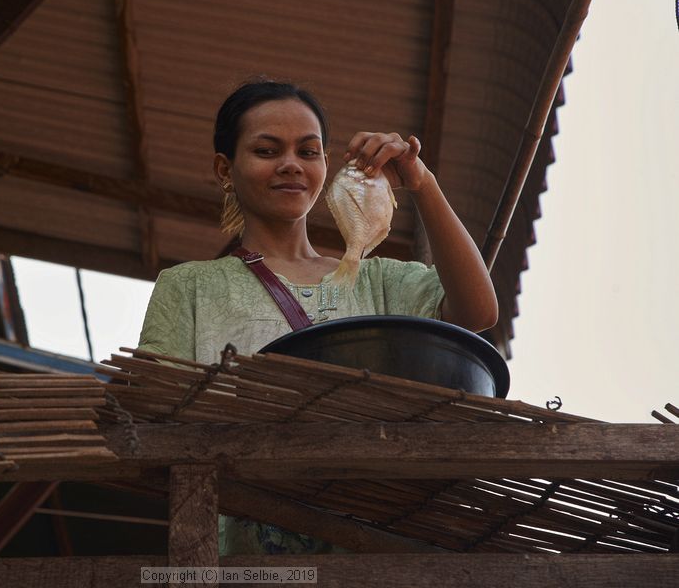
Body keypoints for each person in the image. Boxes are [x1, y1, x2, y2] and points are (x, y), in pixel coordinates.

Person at [136, 79, 498, 555]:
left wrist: (421, 182)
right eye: (267, 150)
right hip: (247, 555)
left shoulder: (381, 281)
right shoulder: (188, 286)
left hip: (378, 542)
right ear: (225, 169)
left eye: (308, 151)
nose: (291, 164)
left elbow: (477, 311)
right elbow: (151, 411)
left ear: (326, 165)